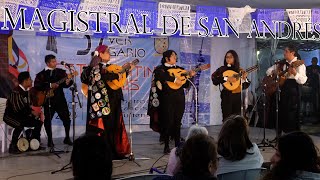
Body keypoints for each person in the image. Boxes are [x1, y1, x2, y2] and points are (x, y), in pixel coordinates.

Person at [80, 44, 130, 159]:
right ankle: (101, 153)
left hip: (114, 100)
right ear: (100, 54)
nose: (109, 53)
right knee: (102, 127)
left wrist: (125, 71)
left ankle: (114, 151)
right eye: (107, 51)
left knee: (114, 126)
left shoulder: (113, 67)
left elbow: (118, 79)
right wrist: (93, 64)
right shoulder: (93, 68)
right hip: (100, 103)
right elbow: (85, 78)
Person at [148, 50, 196, 154]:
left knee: (177, 122)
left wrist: (190, 76)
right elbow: (160, 77)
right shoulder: (160, 69)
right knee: (167, 122)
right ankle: (166, 145)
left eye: (175, 55)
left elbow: (185, 85)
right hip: (166, 98)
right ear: (167, 58)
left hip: (179, 98)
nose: (175, 57)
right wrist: (174, 80)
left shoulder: (180, 70)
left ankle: (178, 145)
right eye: (173, 55)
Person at [266, 44, 307, 135]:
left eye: (286, 51)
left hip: (293, 92)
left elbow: (303, 80)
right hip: (281, 91)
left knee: (291, 116)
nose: (284, 53)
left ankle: (291, 137)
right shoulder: (282, 63)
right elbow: (268, 71)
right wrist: (274, 72)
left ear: (292, 53)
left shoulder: (299, 64)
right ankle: (279, 137)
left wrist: (295, 74)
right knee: (280, 114)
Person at [34, 54, 73, 147]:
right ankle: (50, 140)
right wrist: (50, 85)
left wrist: (69, 82)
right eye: (53, 61)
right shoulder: (41, 75)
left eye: (55, 61)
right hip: (48, 101)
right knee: (48, 120)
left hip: (60, 100)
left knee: (66, 119)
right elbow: (37, 86)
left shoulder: (61, 72)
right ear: (48, 63)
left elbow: (65, 85)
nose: (56, 63)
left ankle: (67, 137)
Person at [3, 71, 43, 154]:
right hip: (10, 116)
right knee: (19, 124)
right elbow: (18, 108)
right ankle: (12, 146)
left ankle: (34, 143)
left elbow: (27, 106)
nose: (31, 81)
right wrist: (32, 112)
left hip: (21, 116)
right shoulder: (16, 92)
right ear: (25, 81)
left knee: (38, 122)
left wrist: (33, 114)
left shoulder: (27, 92)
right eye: (30, 79)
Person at [211, 50, 250, 121]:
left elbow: (245, 85)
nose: (228, 59)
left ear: (235, 58)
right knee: (227, 118)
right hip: (226, 96)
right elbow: (214, 78)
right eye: (227, 57)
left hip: (238, 97)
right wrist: (227, 78)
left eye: (231, 57)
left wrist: (244, 78)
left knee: (237, 118)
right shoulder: (222, 69)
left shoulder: (240, 70)